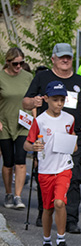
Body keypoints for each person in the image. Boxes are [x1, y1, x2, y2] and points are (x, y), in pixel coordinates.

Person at [24, 43, 81, 234]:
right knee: (45, 174)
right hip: (47, 133)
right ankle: (44, 211)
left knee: (74, 176)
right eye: (61, 57)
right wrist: (33, 102)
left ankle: (71, 219)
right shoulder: (42, 77)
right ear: (53, 58)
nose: (65, 60)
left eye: (68, 57)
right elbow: (25, 101)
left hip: (71, 133)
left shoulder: (80, 81)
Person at [24, 81, 76, 246]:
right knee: (47, 208)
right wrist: (34, 146)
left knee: (60, 202)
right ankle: (47, 243)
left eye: (62, 100)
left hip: (63, 167)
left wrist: (72, 145)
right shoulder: (39, 120)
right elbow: (27, 144)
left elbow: (73, 144)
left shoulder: (69, 119)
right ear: (46, 99)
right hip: (45, 169)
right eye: (55, 100)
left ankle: (61, 240)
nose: (59, 104)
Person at [0, 48, 31, 210]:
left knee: (20, 160)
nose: (19, 66)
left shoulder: (28, 77)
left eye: (21, 63)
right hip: (4, 123)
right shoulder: (1, 77)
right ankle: (8, 193)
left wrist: (35, 121)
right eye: (15, 63)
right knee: (8, 161)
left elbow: (32, 100)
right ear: (8, 62)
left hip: (23, 124)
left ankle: (18, 196)